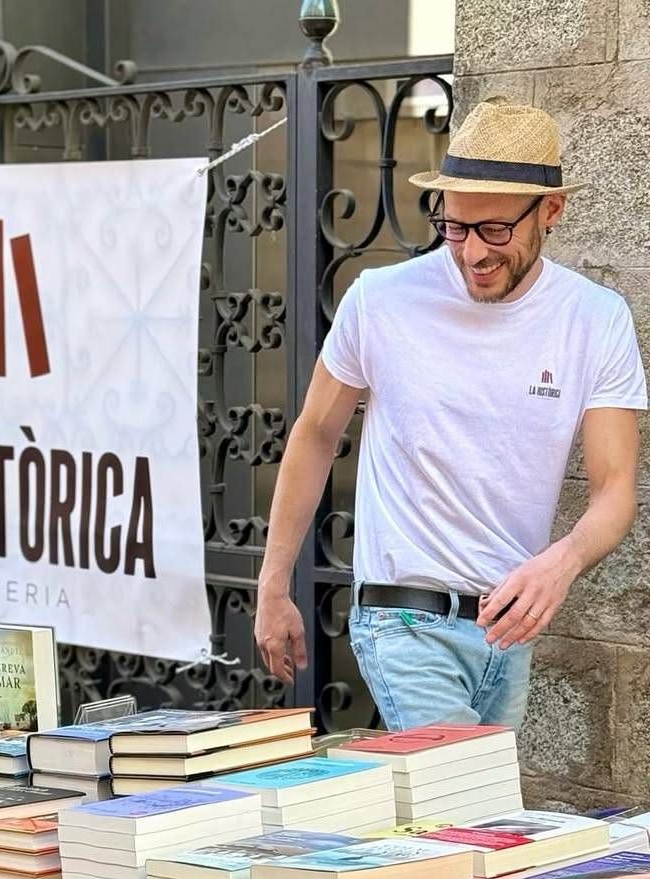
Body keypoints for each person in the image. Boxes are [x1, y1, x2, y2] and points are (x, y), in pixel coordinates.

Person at [255, 98, 646, 730]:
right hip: (402, 618)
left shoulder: (595, 320)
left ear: (551, 211)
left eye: (495, 230)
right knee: (463, 794)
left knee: (471, 823)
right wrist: (274, 584)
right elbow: (316, 433)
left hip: (504, 631)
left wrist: (564, 560)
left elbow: (616, 488)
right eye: (456, 228)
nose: (471, 254)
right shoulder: (380, 301)